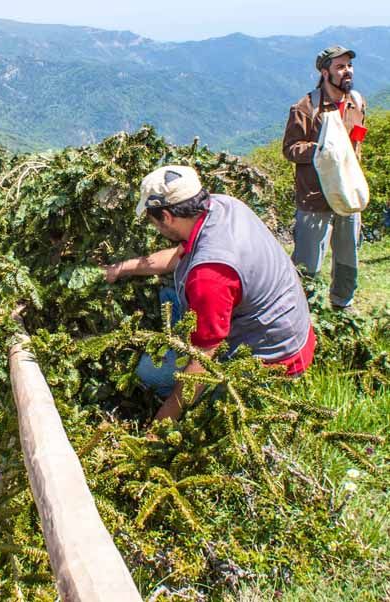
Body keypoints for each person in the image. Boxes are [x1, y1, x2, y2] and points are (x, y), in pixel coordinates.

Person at [104, 166, 315, 422]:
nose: (153, 226)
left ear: (167, 216)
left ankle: (214, 399)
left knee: (147, 371)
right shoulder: (224, 206)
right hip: (290, 326)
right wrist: (120, 269)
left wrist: (160, 425)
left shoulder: (209, 276)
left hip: (273, 361)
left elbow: (202, 362)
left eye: (152, 219)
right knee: (169, 294)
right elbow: (178, 256)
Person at [282, 45, 366, 310]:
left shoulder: (357, 103)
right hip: (315, 198)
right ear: (325, 71)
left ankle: (343, 304)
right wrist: (322, 150)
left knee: (347, 255)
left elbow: (356, 146)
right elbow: (290, 149)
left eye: (349, 66)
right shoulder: (306, 107)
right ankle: (301, 308)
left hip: (347, 194)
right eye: (340, 67)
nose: (347, 71)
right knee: (308, 263)